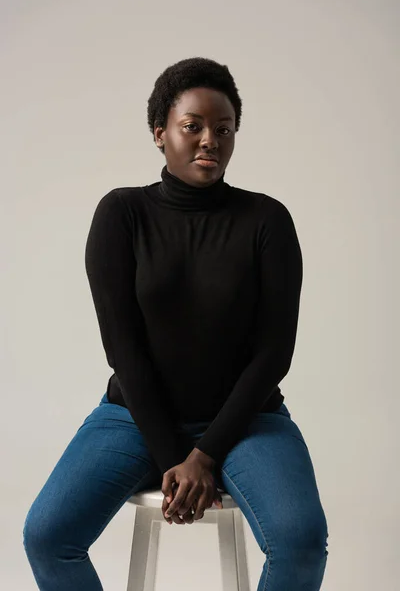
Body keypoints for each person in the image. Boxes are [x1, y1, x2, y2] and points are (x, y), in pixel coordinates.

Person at [23, 57, 329, 590]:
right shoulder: (122, 214)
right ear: (160, 132)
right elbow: (124, 349)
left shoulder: (267, 221)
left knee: (301, 542)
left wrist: (205, 454)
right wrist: (174, 459)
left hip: (248, 420)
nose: (210, 139)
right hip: (134, 417)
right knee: (48, 536)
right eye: (194, 127)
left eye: (225, 129)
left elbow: (274, 352)